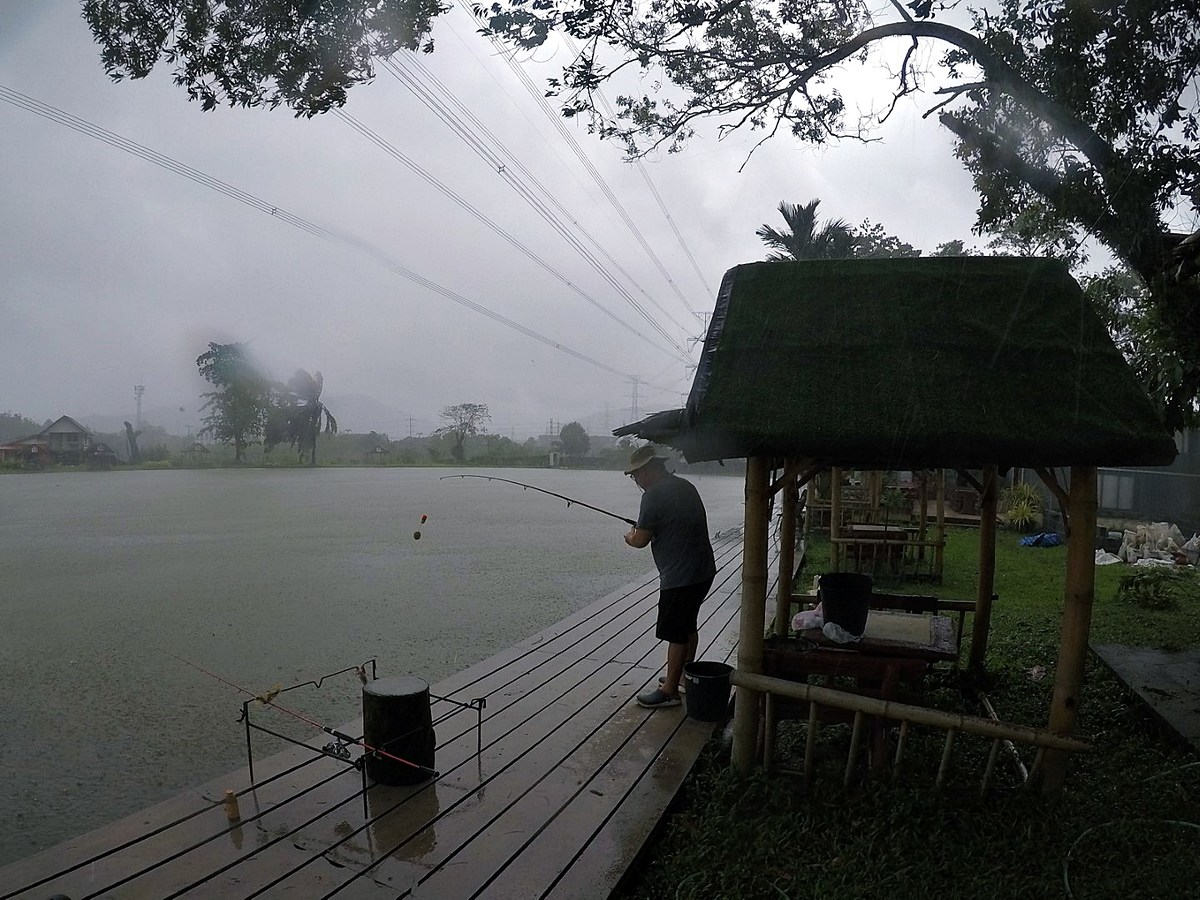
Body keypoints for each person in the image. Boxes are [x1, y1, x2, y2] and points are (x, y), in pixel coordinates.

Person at [623, 444, 716, 709]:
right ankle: (685, 676)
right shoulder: (684, 486)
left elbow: (640, 539)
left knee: (676, 633)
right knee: (688, 625)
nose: (636, 480)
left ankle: (670, 691)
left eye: (637, 474)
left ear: (650, 469)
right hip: (703, 570)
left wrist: (629, 536)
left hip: (681, 575)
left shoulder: (653, 495)